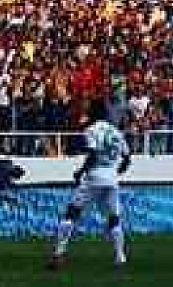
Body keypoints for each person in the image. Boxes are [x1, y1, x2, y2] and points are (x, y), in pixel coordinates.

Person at [48, 114, 130, 270]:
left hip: (94, 176)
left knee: (72, 213)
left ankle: (58, 254)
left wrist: (81, 171)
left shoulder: (92, 130)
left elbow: (92, 154)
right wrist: (116, 172)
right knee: (113, 219)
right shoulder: (116, 132)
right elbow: (127, 158)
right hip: (111, 178)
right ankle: (120, 257)